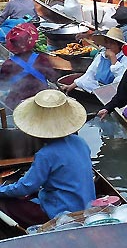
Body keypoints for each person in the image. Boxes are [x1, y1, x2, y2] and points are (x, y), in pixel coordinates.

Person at [0, 89, 95, 229]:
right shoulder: (80, 142)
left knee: (5, 203)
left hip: (62, 213)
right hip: (87, 205)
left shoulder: (46, 155)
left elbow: (24, 187)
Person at [0, 23, 57, 113]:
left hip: (17, 104)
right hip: (42, 100)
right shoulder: (42, 59)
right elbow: (53, 77)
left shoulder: (8, 64)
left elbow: (2, 85)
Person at [59, 28, 127, 95]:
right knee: (85, 82)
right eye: (107, 42)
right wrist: (71, 86)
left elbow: (122, 79)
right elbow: (89, 73)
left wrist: (113, 58)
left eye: (112, 43)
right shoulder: (101, 56)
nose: (108, 45)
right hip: (99, 87)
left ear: (119, 45)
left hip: (116, 91)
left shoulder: (126, 58)